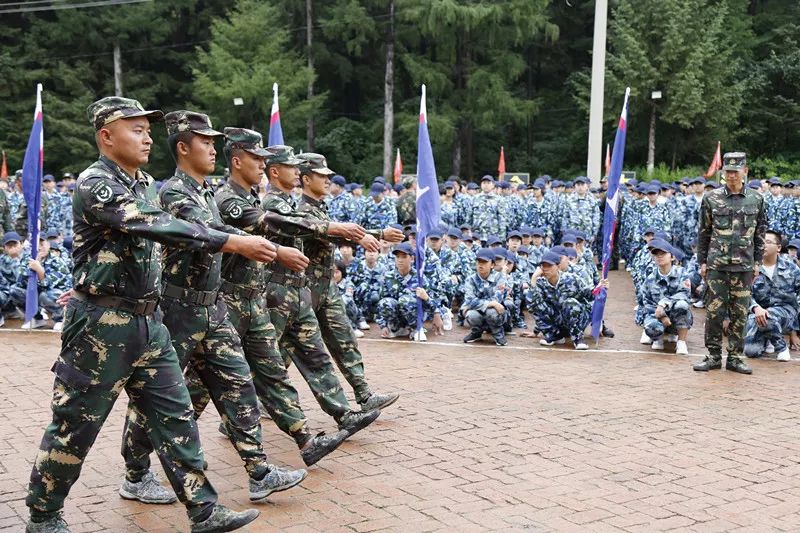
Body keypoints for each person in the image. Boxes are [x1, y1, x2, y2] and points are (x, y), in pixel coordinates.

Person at [25, 96, 268, 533]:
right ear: (106, 136)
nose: (148, 136)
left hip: (148, 322)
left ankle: (204, 510)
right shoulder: (96, 182)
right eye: (136, 129)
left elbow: (145, 241)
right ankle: (43, 516)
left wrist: (90, 275)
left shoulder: (144, 184)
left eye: (148, 129)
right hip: (102, 329)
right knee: (76, 424)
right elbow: (150, 224)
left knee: (176, 416)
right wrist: (230, 242)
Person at [119, 111, 307, 507]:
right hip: (177, 310)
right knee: (156, 396)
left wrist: (265, 247)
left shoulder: (205, 191)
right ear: (183, 147)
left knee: (238, 385)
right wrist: (271, 249)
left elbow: (232, 232)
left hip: (212, 306)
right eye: (205, 142)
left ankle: (259, 471)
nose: (213, 149)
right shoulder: (172, 192)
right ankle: (135, 474)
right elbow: (210, 234)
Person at [199, 129, 370, 467]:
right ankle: (142, 463)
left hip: (257, 299)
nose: (263, 164)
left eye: (265, 159)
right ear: (237, 161)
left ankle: (305, 439)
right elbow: (269, 222)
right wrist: (319, 233)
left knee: (273, 372)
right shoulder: (228, 200)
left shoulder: (247, 197)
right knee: (200, 386)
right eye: (257, 158)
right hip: (230, 303)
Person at [260, 145, 384, 453]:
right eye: (294, 169)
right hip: (276, 292)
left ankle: (344, 413)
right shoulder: (271, 203)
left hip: (297, 291)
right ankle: (238, 418)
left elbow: (322, 230)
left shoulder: (288, 203)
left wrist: (373, 233)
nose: (297, 174)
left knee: (314, 356)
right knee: (264, 361)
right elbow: (309, 229)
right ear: (277, 171)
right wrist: (355, 233)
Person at [292, 151, 402, 411]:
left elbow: (338, 231)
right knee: (282, 350)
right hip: (303, 291)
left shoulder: (320, 206)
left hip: (325, 288)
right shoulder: (302, 210)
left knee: (344, 339)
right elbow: (332, 233)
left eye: (329, 176)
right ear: (306, 179)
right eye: (322, 176)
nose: (328, 180)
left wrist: (379, 233)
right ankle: (250, 406)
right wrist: (369, 235)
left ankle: (364, 394)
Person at [694, 152, 767, 374]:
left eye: (735, 171)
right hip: (717, 265)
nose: (731, 176)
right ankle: (713, 355)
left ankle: (735, 357)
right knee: (714, 313)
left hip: (744, 267)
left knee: (740, 314)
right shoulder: (711, 199)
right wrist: (702, 262)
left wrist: (757, 263)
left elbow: (760, 234)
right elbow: (704, 233)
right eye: (728, 172)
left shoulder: (757, 199)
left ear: (745, 171)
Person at [743, 229, 800, 361]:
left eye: (768, 242)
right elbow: (743, 294)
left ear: (778, 247)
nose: (764, 245)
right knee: (751, 351)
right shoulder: (749, 268)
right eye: (761, 242)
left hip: (785, 312)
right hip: (757, 313)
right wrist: (756, 308)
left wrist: (794, 331)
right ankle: (768, 337)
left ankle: (781, 347)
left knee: (768, 317)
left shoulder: (791, 268)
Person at [376, 242, 445, 339]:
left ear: (412, 259)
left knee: (405, 300)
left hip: (415, 316)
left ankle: (417, 329)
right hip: (398, 317)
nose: (400, 260)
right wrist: (383, 325)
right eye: (397, 257)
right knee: (386, 302)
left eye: (404, 257)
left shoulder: (420, 278)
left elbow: (434, 299)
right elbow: (382, 302)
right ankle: (397, 328)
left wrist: (436, 313)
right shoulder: (388, 277)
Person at [640, 238, 693, 355]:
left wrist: (663, 303)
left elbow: (685, 294)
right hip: (658, 316)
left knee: (682, 305)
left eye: (663, 253)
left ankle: (681, 342)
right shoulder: (650, 278)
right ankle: (658, 338)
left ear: (672, 257)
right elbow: (647, 303)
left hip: (676, 316)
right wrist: (662, 316)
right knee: (652, 327)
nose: (659, 256)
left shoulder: (681, 273)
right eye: (656, 254)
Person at [461, 248, 509, 345]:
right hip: (481, 312)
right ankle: (476, 332)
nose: (480, 265)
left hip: (497, 314)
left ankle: (498, 333)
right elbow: (470, 300)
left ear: (492, 265)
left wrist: (480, 304)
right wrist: (490, 303)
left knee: (491, 311)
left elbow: (498, 299)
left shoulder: (500, 277)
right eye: (479, 262)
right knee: (471, 314)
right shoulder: (470, 279)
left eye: (484, 262)